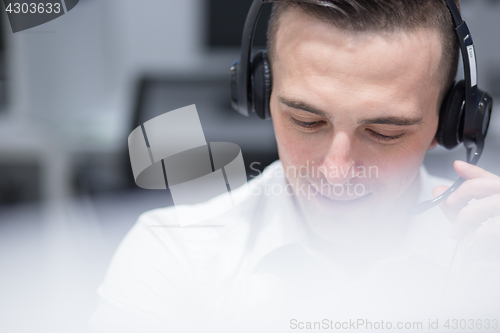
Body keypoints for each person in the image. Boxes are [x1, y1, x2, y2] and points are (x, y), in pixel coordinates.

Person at [90, 1, 500, 332]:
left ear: (449, 125)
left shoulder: (486, 262)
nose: (336, 171)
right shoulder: (172, 256)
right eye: (307, 122)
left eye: (384, 132)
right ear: (261, 97)